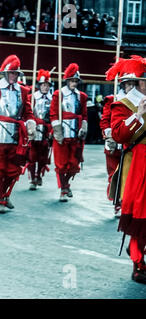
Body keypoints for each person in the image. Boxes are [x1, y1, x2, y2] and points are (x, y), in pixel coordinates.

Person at [0, 54, 36, 213]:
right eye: (12, 73)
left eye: (16, 73)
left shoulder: (23, 91)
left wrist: (30, 124)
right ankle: (0, 200)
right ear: (5, 73)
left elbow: (27, 113)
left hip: (16, 136)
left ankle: (6, 194)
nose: (14, 76)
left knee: (13, 170)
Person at [109, 55, 146, 284]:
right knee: (139, 219)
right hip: (137, 167)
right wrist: (138, 115)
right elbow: (119, 135)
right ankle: (138, 262)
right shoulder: (122, 105)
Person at [101, 58, 137, 217]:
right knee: (114, 174)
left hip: (130, 144)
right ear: (122, 85)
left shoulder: (138, 101)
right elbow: (105, 121)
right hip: (114, 141)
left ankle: (125, 203)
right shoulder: (113, 100)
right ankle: (117, 203)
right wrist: (110, 137)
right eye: (127, 84)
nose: (129, 87)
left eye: (132, 84)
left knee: (128, 176)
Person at [50, 63, 88, 202]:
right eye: (71, 80)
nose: (74, 83)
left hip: (76, 133)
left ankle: (66, 184)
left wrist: (83, 127)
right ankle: (63, 189)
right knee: (61, 163)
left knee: (73, 163)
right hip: (62, 132)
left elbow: (84, 114)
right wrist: (57, 131)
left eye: (76, 81)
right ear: (67, 81)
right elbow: (53, 113)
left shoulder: (82, 96)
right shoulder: (58, 94)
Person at [26, 69, 53, 190]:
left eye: (48, 85)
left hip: (46, 129)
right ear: (39, 86)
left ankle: (39, 175)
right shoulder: (32, 97)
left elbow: (54, 116)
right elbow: (27, 113)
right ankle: (32, 178)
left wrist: (52, 130)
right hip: (34, 128)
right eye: (43, 85)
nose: (46, 87)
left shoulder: (53, 99)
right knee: (32, 155)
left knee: (43, 156)